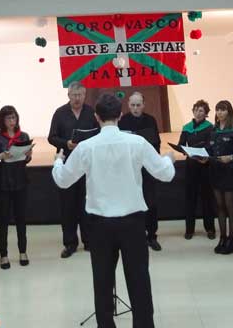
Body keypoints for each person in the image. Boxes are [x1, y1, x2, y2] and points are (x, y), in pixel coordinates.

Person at [52, 93, 176, 328]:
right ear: (120, 115)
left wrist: (58, 160)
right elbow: (165, 174)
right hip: (134, 223)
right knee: (139, 281)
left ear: (96, 117)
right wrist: (168, 159)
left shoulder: (87, 147)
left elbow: (63, 181)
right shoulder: (137, 143)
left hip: (99, 226)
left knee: (102, 282)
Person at [48, 81, 99, 258]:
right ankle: (70, 243)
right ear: (68, 95)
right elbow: (51, 137)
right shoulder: (60, 113)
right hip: (68, 163)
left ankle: (89, 241)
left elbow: (99, 134)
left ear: (85, 95)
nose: (77, 98)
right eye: (74, 95)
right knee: (67, 206)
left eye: (80, 95)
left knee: (87, 204)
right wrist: (66, 143)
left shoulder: (92, 112)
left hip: (87, 165)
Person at [0, 105, 32, 269]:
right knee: (4, 219)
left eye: (14, 118)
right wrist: (0, 156)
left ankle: (23, 251)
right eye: (8, 118)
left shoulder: (24, 136)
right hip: (3, 182)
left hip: (20, 180)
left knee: (21, 218)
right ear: (2, 120)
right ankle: (4, 255)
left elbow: (26, 159)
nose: (12, 121)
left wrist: (28, 156)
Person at [118, 92, 163, 251]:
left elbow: (157, 143)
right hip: (130, 168)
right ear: (128, 105)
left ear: (143, 105)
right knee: (132, 201)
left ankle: (152, 236)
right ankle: (135, 236)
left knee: (150, 201)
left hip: (147, 166)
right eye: (133, 105)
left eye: (138, 105)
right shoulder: (123, 121)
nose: (136, 108)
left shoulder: (150, 120)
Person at [208, 100, 233, 255]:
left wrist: (231, 158)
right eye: (217, 110)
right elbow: (209, 150)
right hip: (216, 170)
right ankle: (222, 237)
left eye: (222, 110)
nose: (219, 113)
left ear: (229, 111)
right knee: (220, 205)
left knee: (229, 205)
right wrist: (204, 157)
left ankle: (232, 238)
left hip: (229, 171)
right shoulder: (213, 130)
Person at [177, 99, 216, 240]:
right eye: (196, 110)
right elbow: (181, 144)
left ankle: (210, 228)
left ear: (206, 114)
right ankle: (189, 229)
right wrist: (184, 150)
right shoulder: (187, 127)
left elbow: (210, 146)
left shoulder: (210, 127)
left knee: (207, 198)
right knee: (190, 198)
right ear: (193, 111)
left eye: (201, 110)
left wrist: (204, 153)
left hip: (205, 166)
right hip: (191, 165)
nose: (198, 113)